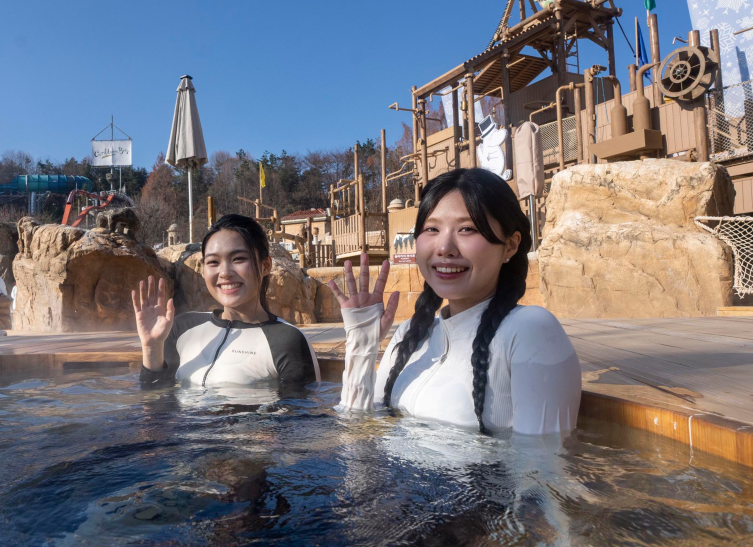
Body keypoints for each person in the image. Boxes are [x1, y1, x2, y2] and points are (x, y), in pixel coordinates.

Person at [330, 168, 581, 435]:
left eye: (467, 229)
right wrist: (361, 345)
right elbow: (358, 436)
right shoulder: (410, 334)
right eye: (432, 229)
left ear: (510, 245)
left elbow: (540, 468)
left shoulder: (530, 330)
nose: (444, 247)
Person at [133, 214, 320, 386]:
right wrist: (152, 347)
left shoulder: (285, 340)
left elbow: (300, 419)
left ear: (265, 265)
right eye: (213, 262)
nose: (224, 273)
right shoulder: (182, 327)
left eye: (238, 259)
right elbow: (156, 404)